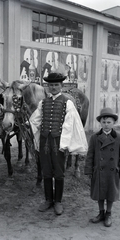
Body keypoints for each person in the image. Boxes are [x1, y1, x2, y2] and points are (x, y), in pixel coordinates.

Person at [29, 72, 88, 215]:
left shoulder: (67, 103)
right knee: (46, 170)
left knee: (59, 172)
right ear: (47, 87)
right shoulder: (43, 103)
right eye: (51, 85)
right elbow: (35, 119)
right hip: (44, 141)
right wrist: (27, 124)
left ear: (61, 86)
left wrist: (65, 144)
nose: (53, 87)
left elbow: (70, 124)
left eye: (56, 85)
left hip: (58, 142)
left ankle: (58, 201)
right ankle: (48, 200)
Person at [84, 107, 120, 227]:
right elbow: (90, 155)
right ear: (100, 123)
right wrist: (89, 170)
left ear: (114, 123)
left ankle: (108, 214)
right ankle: (101, 213)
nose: (106, 125)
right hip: (98, 171)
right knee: (99, 192)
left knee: (110, 192)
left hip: (112, 171)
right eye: (103, 122)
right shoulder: (95, 137)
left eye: (109, 122)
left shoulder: (118, 137)